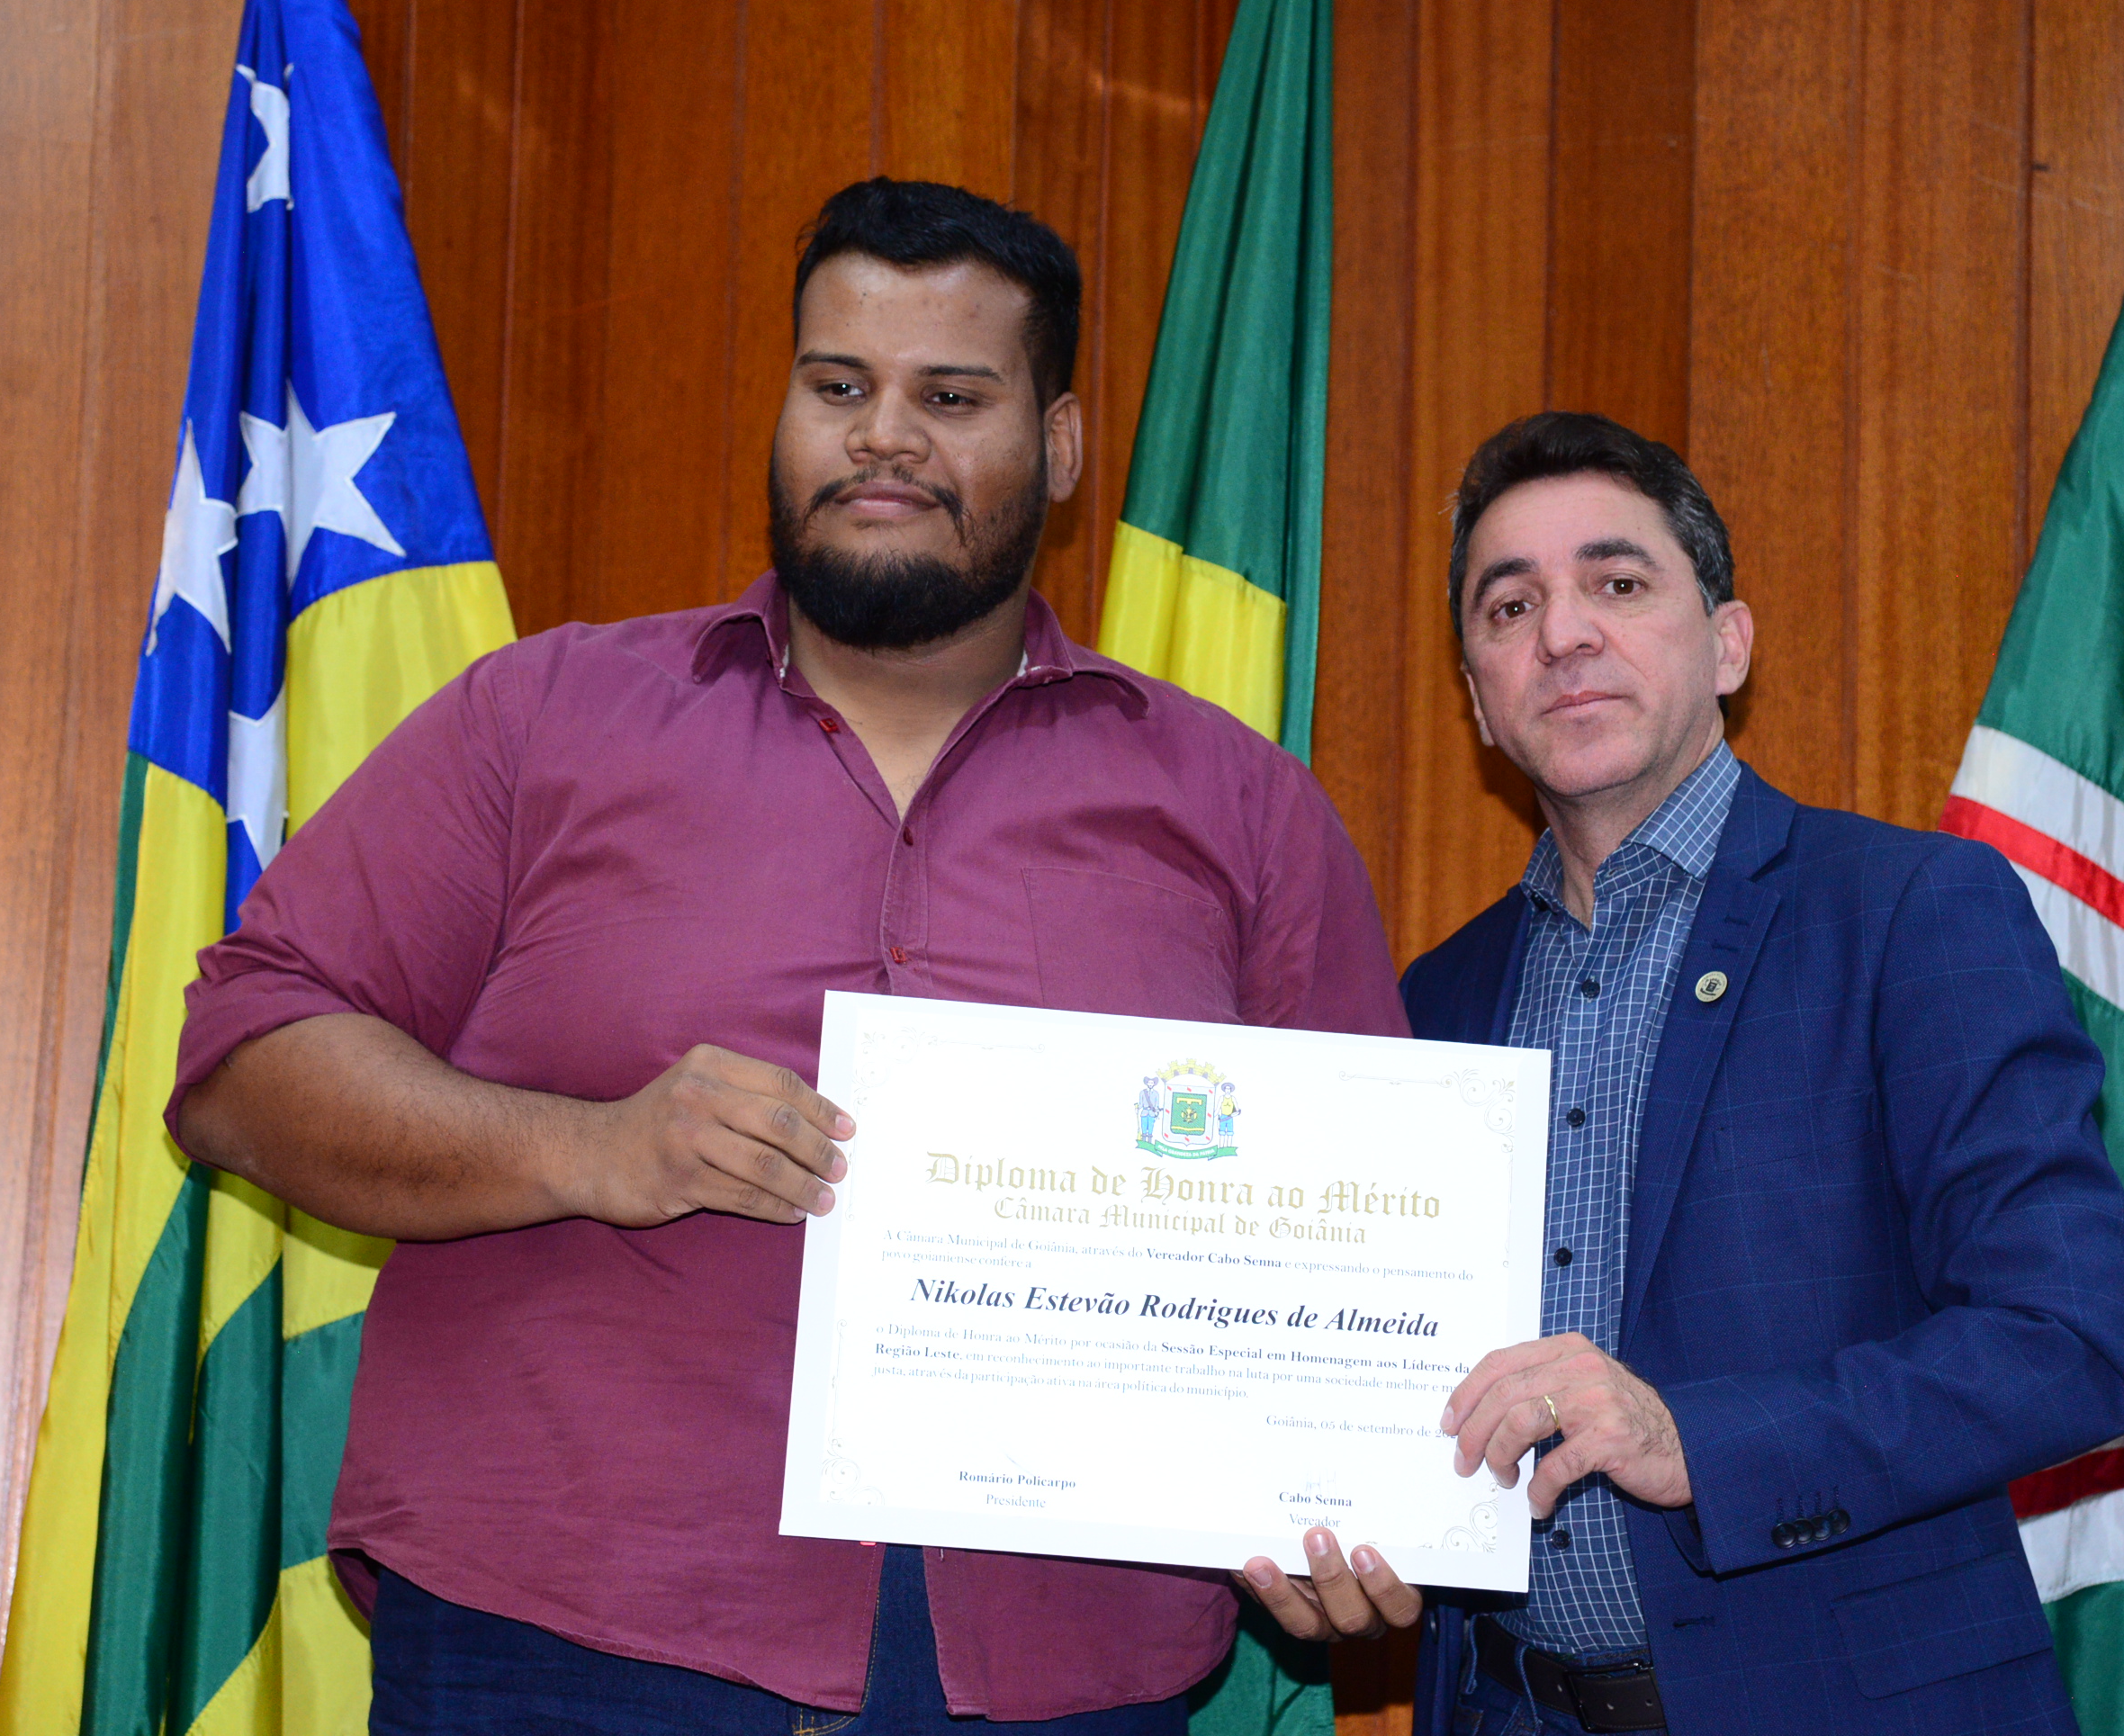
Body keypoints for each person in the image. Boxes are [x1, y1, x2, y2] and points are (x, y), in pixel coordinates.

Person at [169, 177, 1414, 1733]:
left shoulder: (1243, 808)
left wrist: (1349, 1501)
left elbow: (1359, 1229)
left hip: (1060, 1669)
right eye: (838, 387)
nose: (882, 437)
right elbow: (242, 1057)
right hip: (562, 1635)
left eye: (949, 397)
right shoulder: (544, 719)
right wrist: (591, 1149)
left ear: (1061, 446)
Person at [1397, 412, 2124, 1734]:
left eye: (1617, 583)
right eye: (1510, 607)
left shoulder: (1912, 912)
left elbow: (2069, 1344)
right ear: (1477, 697)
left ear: (1729, 644)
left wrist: (1695, 1440)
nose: (1563, 634)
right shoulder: (1432, 1002)